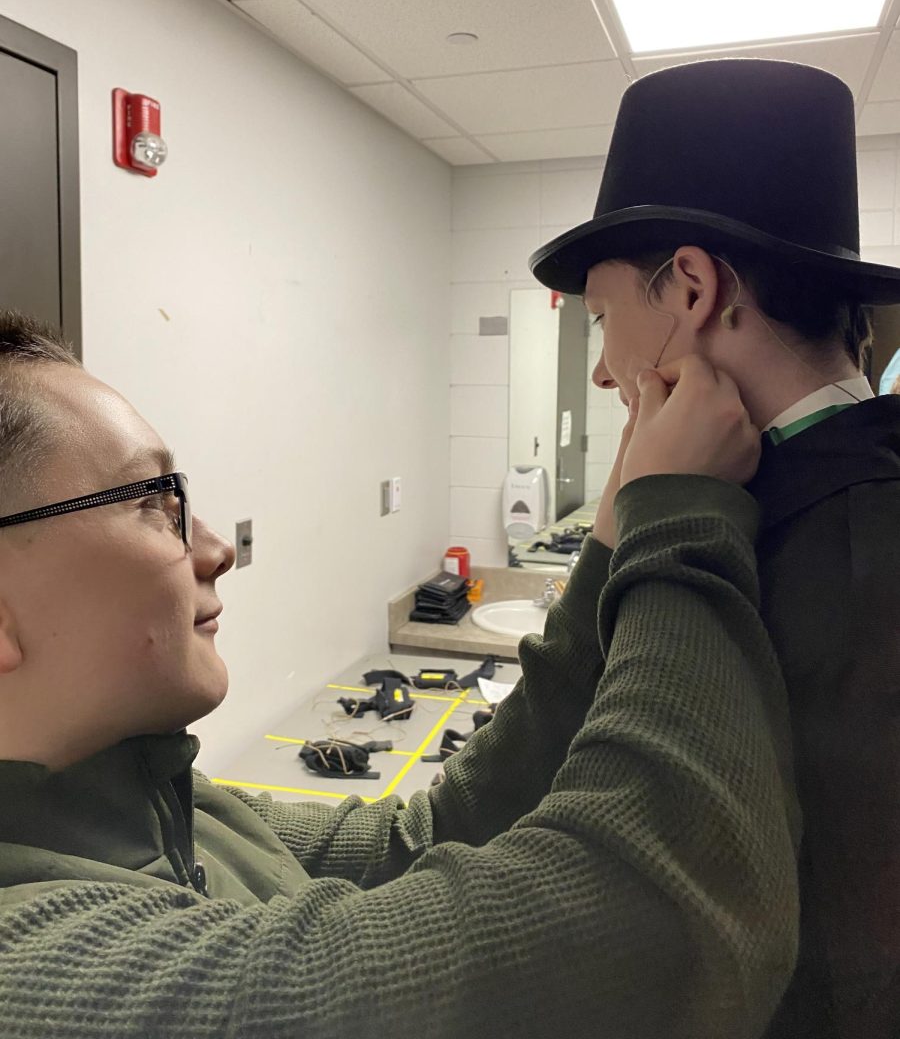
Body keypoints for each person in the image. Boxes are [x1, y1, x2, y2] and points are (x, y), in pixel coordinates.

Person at [0, 311, 797, 1038]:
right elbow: (644, 940)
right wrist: (683, 521)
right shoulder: (35, 977)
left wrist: (615, 538)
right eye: (152, 501)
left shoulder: (172, 805)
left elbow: (423, 840)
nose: (215, 548)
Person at [530, 56, 900, 1039]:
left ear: (691, 288)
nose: (606, 373)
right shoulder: (837, 497)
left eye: (603, 322)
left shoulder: (839, 557)